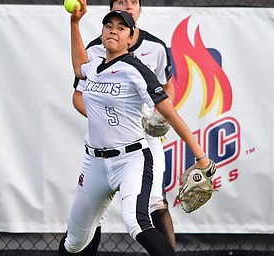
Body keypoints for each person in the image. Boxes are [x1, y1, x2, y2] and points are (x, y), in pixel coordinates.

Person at [58, 1, 212, 255]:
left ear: (130, 38)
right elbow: (78, 66)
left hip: (131, 159)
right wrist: (74, 24)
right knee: (74, 241)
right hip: (94, 162)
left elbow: (169, 113)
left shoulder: (136, 70)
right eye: (108, 26)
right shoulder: (94, 66)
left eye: (121, 28)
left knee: (137, 222)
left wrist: (201, 156)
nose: (113, 31)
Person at [72, 1, 176, 254]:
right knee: (90, 218)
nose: (127, 5)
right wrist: (107, 118)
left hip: (145, 139)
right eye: (121, 1)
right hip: (106, 142)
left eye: (133, 2)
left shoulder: (156, 46)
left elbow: (166, 92)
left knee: (152, 203)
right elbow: (78, 93)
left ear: (139, 11)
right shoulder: (96, 51)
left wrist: (157, 120)